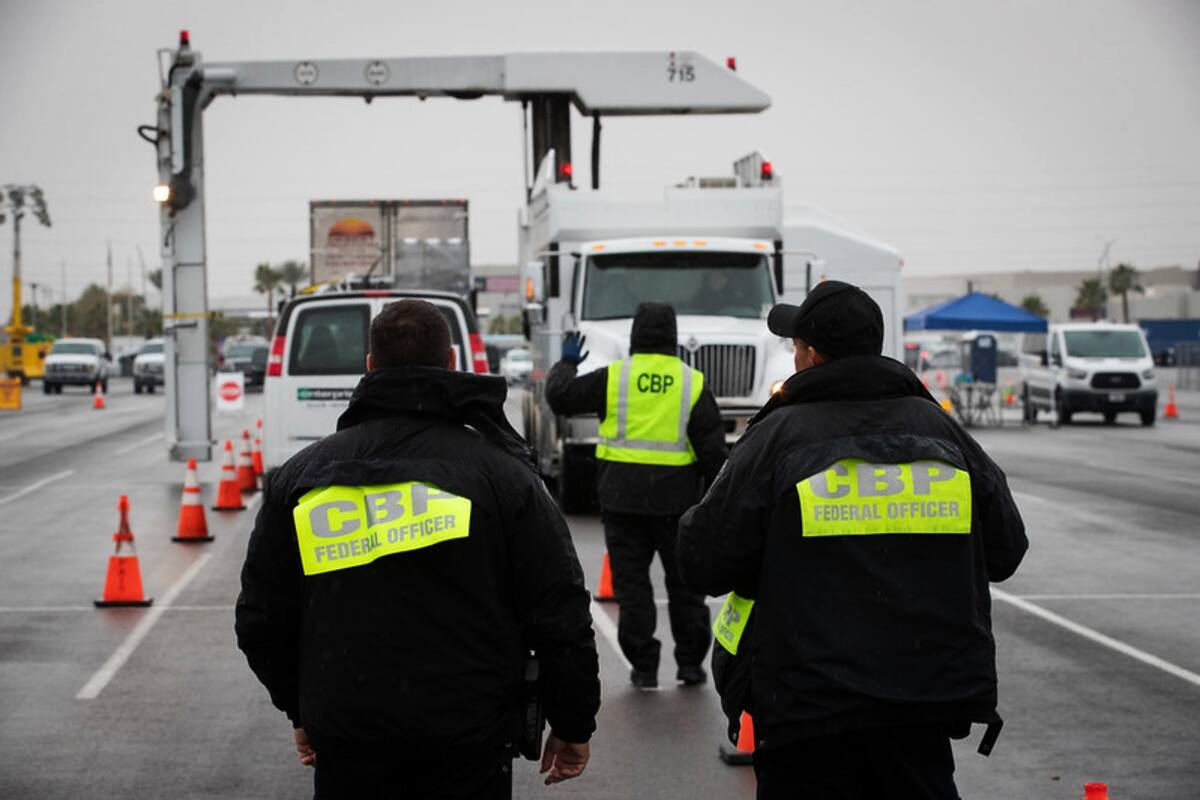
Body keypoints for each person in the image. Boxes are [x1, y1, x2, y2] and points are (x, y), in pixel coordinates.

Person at [235, 299, 600, 799]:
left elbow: (261, 620)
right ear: (451, 362)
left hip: (349, 740)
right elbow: (560, 612)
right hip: (469, 743)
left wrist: (303, 709)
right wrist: (573, 722)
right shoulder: (504, 478)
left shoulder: (302, 478)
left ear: (369, 366)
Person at [677, 280, 1028, 799]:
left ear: (813, 355)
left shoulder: (779, 435)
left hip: (808, 711)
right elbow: (1007, 549)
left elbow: (703, 560)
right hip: (922, 705)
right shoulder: (938, 429)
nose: (793, 356)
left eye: (795, 345)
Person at [546, 302, 728, 689]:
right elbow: (714, 454)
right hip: (677, 503)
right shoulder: (691, 382)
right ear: (674, 337)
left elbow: (560, 397)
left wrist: (565, 364)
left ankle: (644, 667)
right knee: (685, 586)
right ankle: (690, 665)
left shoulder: (615, 377)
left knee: (632, 587)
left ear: (635, 336)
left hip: (622, 500)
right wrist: (715, 508)